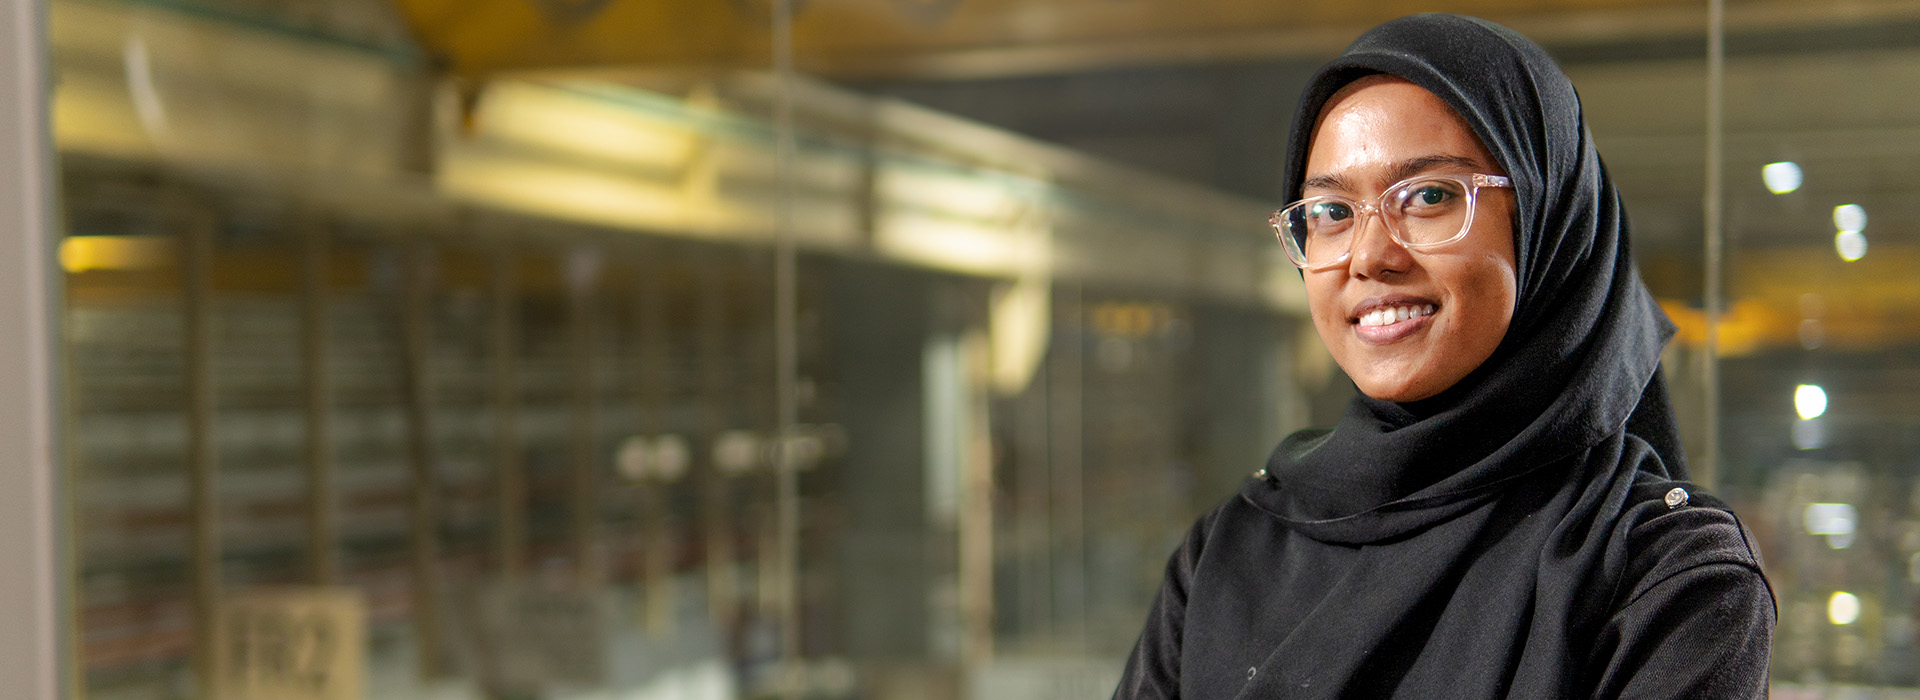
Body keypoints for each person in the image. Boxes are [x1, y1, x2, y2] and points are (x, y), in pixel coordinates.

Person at [1113, 14, 1774, 700]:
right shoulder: (1229, 555)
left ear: (1548, 222)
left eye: (1428, 197)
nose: (1370, 256)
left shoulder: (1661, 575)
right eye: (1331, 212)